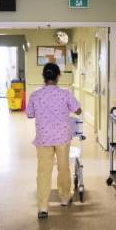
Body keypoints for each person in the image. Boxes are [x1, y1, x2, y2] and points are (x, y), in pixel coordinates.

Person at [26, 63, 82, 219]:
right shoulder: (65, 94)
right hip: (62, 137)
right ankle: (64, 198)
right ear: (58, 76)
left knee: (43, 171)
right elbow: (78, 110)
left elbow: (29, 114)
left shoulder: (35, 95)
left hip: (44, 138)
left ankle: (43, 207)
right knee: (63, 168)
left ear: (43, 77)